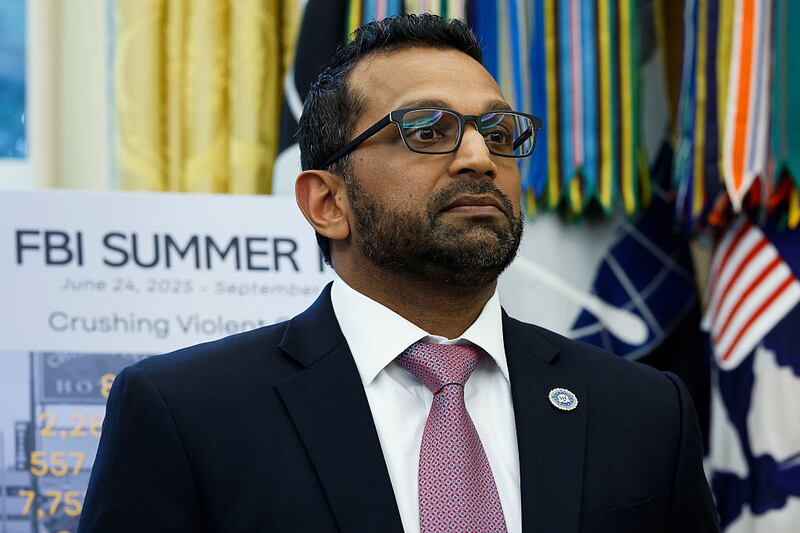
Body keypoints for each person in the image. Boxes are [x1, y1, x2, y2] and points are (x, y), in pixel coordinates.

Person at [78, 14, 719, 533]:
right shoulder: (184, 413)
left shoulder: (644, 411)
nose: (478, 157)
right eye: (426, 129)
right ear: (327, 202)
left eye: (498, 131)